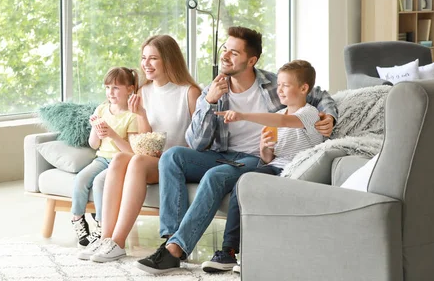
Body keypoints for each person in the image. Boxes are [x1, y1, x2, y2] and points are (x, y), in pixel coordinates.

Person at [135, 26, 338, 274]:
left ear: (251, 60)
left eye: (234, 52)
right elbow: (196, 143)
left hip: (255, 159)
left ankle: (174, 250)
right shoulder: (214, 89)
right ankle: (171, 241)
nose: (225, 56)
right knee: (172, 157)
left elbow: (321, 95)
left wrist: (330, 116)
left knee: (216, 176)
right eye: (225, 49)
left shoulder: (274, 84)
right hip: (220, 154)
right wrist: (209, 102)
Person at [77, 35, 201, 262]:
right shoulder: (143, 92)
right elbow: (144, 138)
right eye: (144, 58)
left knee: (135, 160)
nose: (146, 64)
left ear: (169, 60)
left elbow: (201, 138)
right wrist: (141, 114)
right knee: (119, 159)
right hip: (150, 157)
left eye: (153, 58)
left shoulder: (189, 92)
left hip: (177, 161)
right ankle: (106, 238)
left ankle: (118, 241)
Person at [201, 59, 324, 273]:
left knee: (254, 187)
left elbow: (287, 122)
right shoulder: (276, 117)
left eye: (286, 85)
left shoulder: (309, 113)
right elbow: (268, 158)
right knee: (243, 184)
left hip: (298, 171)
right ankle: (228, 252)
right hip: (276, 167)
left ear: (304, 88)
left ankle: (256, 256)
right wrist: (266, 147)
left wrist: (242, 116)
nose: (280, 90)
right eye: (279, 85)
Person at [71, 67, 139, 248]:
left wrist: (113, 134)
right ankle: (77, 219)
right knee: (81, 179)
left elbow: (132, 151)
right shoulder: (101, 109)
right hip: (101, 159)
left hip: (119, 163)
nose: (111, 92)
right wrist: (97, 130)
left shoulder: (132, 116)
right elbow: (93, 145)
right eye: (108, 87)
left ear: (130, 89)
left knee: (100, 182)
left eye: (116, 88)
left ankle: (102, 225)